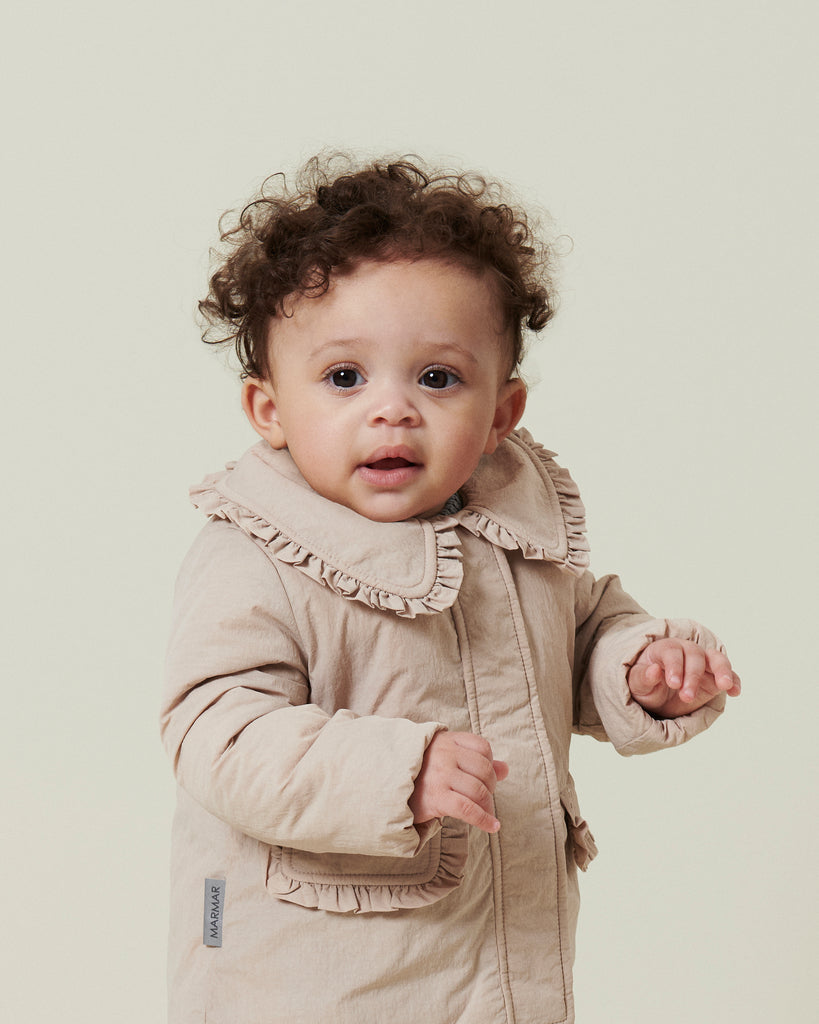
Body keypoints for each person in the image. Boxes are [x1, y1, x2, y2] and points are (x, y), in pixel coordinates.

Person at [160, 156, 740, 1024]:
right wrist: (395, 770)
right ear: (269, 410)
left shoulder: (515, 532)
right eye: (344, 377)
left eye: (437, 378)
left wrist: (637, 667)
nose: (391, 409)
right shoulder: (256, 552)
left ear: (501, 412)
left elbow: (579, 632)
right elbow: (221, 734)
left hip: (494, 955)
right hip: (313, 975)